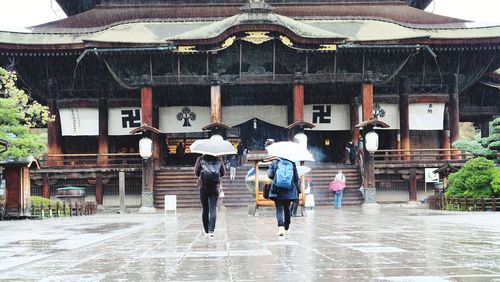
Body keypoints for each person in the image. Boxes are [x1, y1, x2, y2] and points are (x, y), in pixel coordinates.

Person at [194, 154, 226, 238]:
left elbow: (196, 173)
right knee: (213, 209)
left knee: (205, 209)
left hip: (203, 187)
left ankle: (206, 231)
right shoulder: (219, 159)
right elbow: (223, 173)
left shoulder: (200, 159)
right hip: (214, 187)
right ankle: (212, 230)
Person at [268, 157, 300, 236]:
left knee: (279, 209)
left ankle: (280, 227)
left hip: (277, 189)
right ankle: (287, 227)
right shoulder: (292, 162)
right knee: (287, 208)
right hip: (289, 189)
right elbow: (296, 178)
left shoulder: (274, 162)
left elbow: (270, 175)